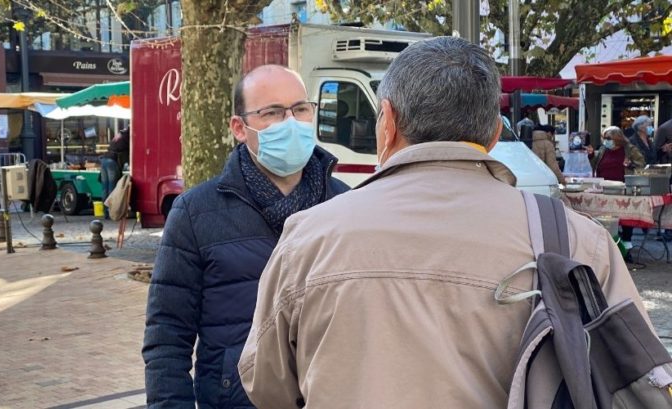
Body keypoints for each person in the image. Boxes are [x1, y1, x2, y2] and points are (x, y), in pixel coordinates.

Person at [238, 37, 648, 409]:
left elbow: (267, 385)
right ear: (491, 133)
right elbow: (636, 377)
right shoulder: (576, 240)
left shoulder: (309, 236)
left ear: (387, 122)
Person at [142, 65, 349, 409]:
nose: (291, 122)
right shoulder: (195, 213)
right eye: (272, 112)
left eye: (300, 109)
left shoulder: (346, 205)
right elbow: (167, 334)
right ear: (239, 127)